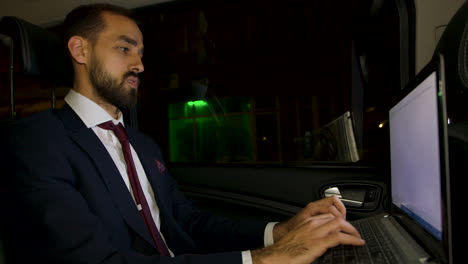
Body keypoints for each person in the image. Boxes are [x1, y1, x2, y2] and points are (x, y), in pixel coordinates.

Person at [3, 4, 365, 264]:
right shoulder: (36, 142)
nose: (139, 65)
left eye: (141, 53)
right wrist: (266, 259)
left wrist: (279, 233)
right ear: (80, 49)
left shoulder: (142, 145)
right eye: (124, 48)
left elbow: (189, 222)